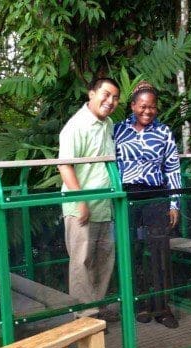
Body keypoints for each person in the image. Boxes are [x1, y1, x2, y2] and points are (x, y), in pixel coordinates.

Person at [113, 81, 182, 329]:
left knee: (159, 250)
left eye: (152, 107)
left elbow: (172, 168)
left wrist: (175, 203)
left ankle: (162, 307)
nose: (147, 111)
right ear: (132, 106)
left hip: (156, 195)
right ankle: (140, 304)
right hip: (127, 196)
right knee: (132, 250)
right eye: (142, 106)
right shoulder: (118, 130)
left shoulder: (163, 132)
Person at [58, 77, 121, 322]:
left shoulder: (108, 124)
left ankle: (97, 307)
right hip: (81, 206)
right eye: (106, 94)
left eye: (115, 98)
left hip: (105, 205)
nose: (110, 101)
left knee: (104, 258)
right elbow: (64, 165)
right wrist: (81, 200)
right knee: (82, 261)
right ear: (92, 93)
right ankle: (85, 315)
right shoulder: (76, 126)